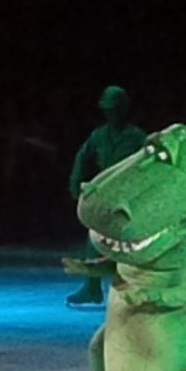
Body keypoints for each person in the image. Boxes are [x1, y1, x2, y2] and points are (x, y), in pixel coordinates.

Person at [66, 85, 146, 306]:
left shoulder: (137, 137)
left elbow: (151, 166)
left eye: (117, 109)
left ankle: (135, 286)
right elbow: (83, 158)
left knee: (132, 243)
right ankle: (91, 287)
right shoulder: (99, 136)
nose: (112, 114)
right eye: (109, 110)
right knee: (95, 238)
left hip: (129, 198)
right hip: (105, 195)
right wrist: (76, 183)